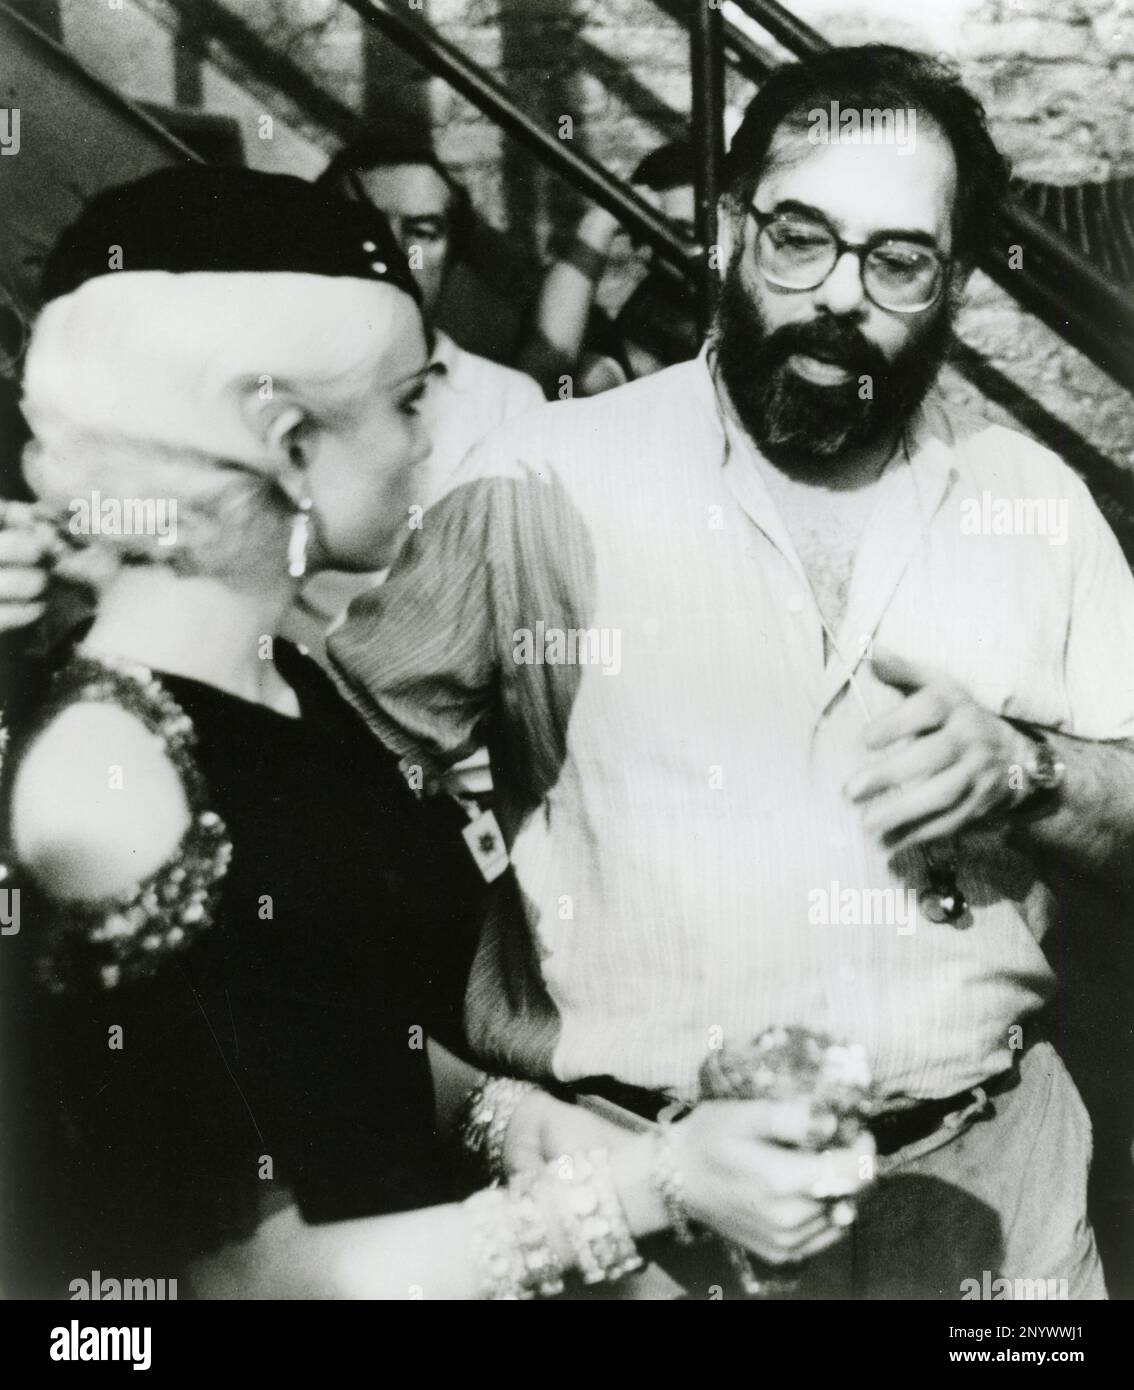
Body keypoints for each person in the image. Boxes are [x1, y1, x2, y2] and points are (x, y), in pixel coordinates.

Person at [326, 45, 1134, 1298]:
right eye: (797, 236)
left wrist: (1028, 772)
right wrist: (484, 1108)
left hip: (994, 1211)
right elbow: (302, 816)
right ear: (725, 228)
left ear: (955, 283)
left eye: (898, 260)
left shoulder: (1035, 503)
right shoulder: (538, 486)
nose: (837, 296)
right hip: (652, 1226)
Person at [0, 166, 872, 1300]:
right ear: (288, 441)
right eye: (411, 400)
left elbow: (343, 1040)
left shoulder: (285, 687)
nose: (432, 436)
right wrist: (655, 1185)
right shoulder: (108, 781)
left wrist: (515, 1120)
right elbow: (237, 1281)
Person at [518, 140, 700, 398]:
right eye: (681, 234)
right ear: (646, 248)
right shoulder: (638, 334)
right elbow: (546, 375)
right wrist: (599, 222)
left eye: (710, 229)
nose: (705, 248)